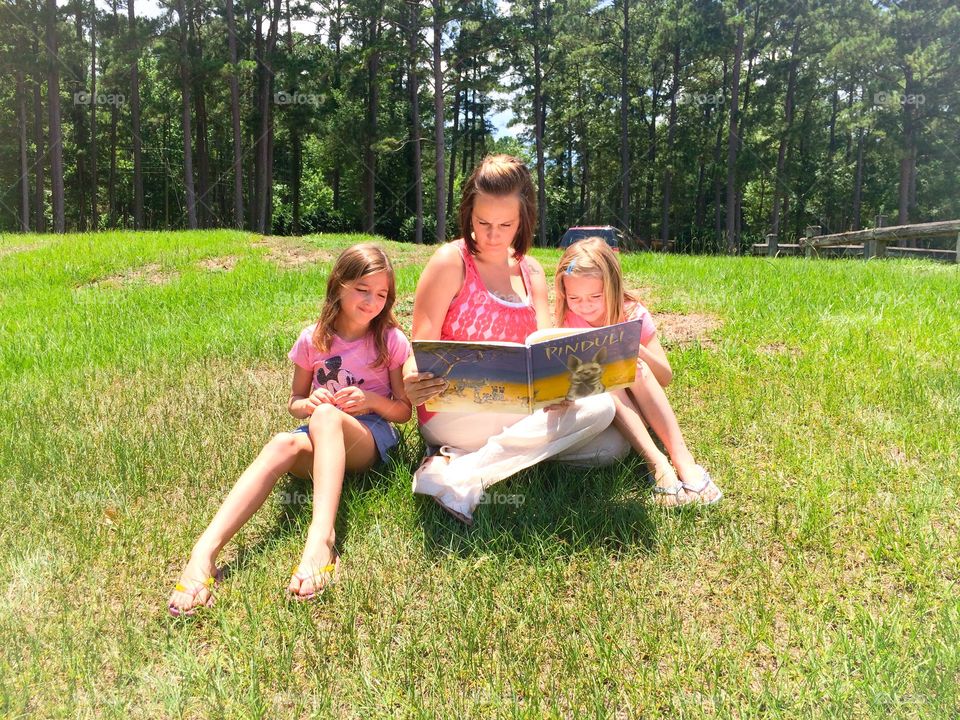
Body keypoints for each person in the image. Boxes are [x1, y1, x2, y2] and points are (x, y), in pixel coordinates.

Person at [168, 244, 412, 616]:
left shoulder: (390, 340)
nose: (372, 301)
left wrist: (371, 402)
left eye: (382, 294)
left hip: (369, 437)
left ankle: (322, 539)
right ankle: (204, 553)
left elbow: (403, 411)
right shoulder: (312, 339)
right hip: (318, 430)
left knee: (328, 418)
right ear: (339, 285)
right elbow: (295, 400)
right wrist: (309, 403)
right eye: (363, 289)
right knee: (282, 442)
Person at [404, 154, 629, 525]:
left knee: (611, 445)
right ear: (467, 214)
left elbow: (546, 351)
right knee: (600, 417)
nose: (493, 235)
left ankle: (455, 467)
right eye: (482, 223)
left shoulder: (532, 271)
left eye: (506, 224)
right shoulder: (450, 261)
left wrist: (559, 389)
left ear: (524, 219)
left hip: (520, 410)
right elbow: (419, 349)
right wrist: (411, 381)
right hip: (453, 410)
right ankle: (472, 473)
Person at [555, 237, 722, 506]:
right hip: (606, 410)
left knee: (636, 367)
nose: (584, 305)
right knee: (606, 376)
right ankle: (657, 464)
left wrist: (631, 346)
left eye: (595, 296)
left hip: (644, 404)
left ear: (612, 286)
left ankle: (683, 460)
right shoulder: (568, 321)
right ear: (564, 292)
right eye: (574, 297)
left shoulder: (632, 312)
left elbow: (665, 376)